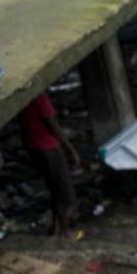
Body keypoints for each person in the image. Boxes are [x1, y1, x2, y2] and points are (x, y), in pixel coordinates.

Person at [19, 92, 81, 239]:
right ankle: (65, 232)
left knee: (53, 188)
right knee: (64, 191)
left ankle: (56, 228)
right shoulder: (39, 97)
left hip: (35, 146)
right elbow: (54, 126)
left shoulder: (23, 98)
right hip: (49, 148)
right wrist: (71, 150)